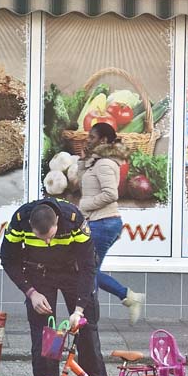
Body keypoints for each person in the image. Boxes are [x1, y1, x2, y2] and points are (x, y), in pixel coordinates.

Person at [0, 197, 113, 376]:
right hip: (40, 278)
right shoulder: (20, 220)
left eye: (51, 235)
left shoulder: (73, 220)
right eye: (43, 238)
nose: (48, 241)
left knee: (88, 338)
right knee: (46, 343)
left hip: (75, 275)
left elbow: (89, 266)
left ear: (57, 223)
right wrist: (31, 292)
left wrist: (80, 309)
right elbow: (8, 259)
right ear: (31, 227)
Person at [78, 122, 145, 325]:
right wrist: (83, 159)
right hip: (99, 222)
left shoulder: (105, 163)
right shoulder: (97, 162)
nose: (87, 140)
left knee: (87, 271)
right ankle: (124, 299)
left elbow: (111, 194)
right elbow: (80, 181)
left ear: (104, 140)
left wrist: (85, 205)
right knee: (87, 270)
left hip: (104, 223)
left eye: (91, 137)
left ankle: (92, 317)